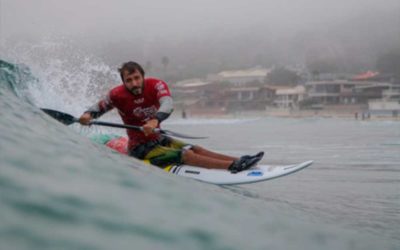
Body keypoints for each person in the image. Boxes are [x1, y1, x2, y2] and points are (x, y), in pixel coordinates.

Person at [79, 61, 263, 173]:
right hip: (140, 149)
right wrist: (87, 115)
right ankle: (233, 167)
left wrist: (155, 120)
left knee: (195, 148)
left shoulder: (156, 85)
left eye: (136, 77)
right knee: (186, 154)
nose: (134, 83)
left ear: (143, 76)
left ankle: (238, 160)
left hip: (158, 137)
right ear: (123, 82)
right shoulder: (117, 95)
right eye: (129, 80)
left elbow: (168, 103)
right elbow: (98, 107)